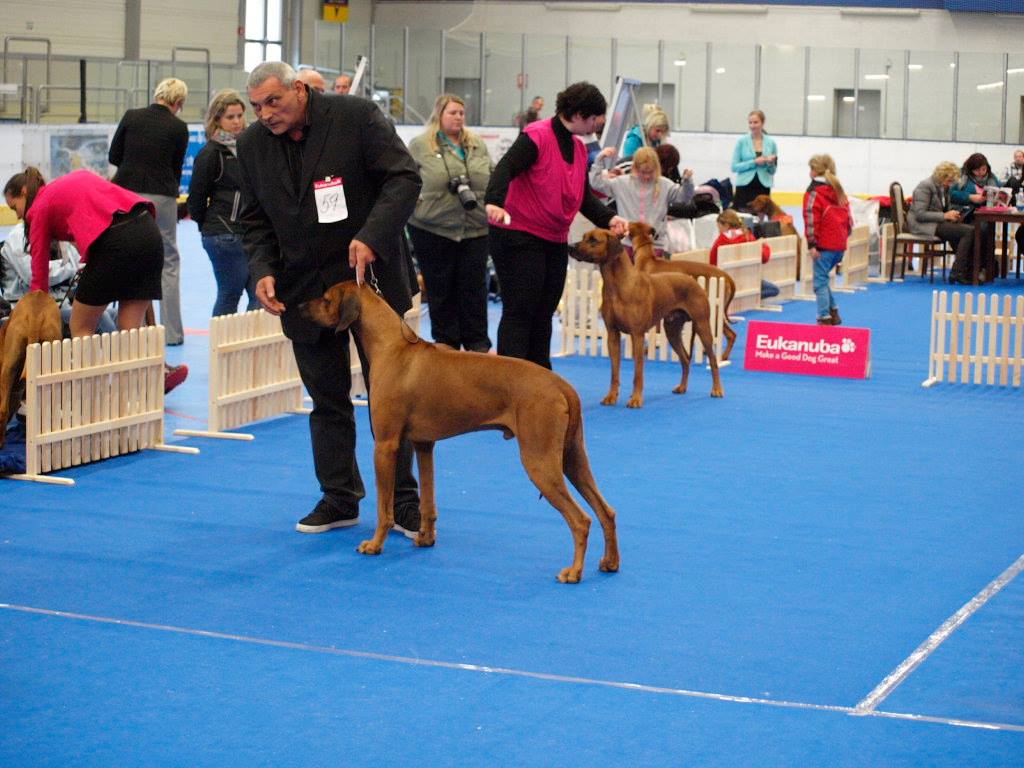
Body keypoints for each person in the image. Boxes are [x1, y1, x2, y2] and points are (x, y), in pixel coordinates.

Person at [236, 61, 422, 536]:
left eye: (273, 101)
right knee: (327, 399)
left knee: (392, 399)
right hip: (305, 292)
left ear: (299, 90)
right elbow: (254, 221)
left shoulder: (355, 117)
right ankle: (340, 497)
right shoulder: (252, 144)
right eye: (256, 106)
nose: (265, 114)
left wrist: (373, 236)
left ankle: (403, 502)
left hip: (369, 282)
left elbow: (404, 178)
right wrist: (262, 271)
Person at [484, 81, 627, 369]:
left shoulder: (576, 146)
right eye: (594, 117)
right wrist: (494, 202)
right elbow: (505, 167)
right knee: (521, 311)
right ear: (577, 115)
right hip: (519, 236)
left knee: (544, 311)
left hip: (553, 237)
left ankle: (539, 377)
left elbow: (582, 195)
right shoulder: (536, 136)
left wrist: (609, 218)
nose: (597, 123)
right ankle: (510, 384)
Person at [406, 94, 492, 352]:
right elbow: (407, 179)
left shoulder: (476, 144)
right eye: (452, 112)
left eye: (461, 113)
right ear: (439, 114)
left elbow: (494, 174)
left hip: (475, 227)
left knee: (475, 289)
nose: (458, 117)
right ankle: (446, 345)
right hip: (432, 228)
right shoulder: (420, 145)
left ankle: (478, 344)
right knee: (440, 288)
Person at [108, 77, 189, 346]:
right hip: (161, 196)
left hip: (125, 193)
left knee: (126, 255)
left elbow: (114, 157)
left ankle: (130, 329)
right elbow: (176, 168)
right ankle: (173, 333)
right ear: (178, 103)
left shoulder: (131, 116)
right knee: (168, 260)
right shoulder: (179, 127)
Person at [187, 88, 259, 317]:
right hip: (223, 235)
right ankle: (220, 348)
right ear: (217, 119)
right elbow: (196, 198)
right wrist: (208, 227)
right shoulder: (210, 154)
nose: (237, 122)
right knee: (230, 294)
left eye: (240, 115)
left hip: (247, 232)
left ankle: (247, 345)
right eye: (230, 117)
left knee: (258, 295)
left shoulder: (248, 148)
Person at [589, 146, 693, 255]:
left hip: (654, 246)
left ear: (657, 168)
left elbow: (684, 198)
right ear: (635, 167)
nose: (647, 176)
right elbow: (596, 183)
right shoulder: (621, 183)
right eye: (643, 172)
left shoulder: (665, 184)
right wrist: (599, 159)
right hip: (627, 245)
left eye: (650, 172)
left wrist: (687, 182)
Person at [908, 161, 977, 285]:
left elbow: (943, 208)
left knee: (966, 229)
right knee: (968, 231)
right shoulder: (925, 186)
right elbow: (920, 214)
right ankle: (958, 273)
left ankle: (964, 270)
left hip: (935, 223)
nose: (951, 184)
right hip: (922, 225)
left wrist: (952, 214)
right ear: (942, 176)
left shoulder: (942, 187)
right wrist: (945, 215)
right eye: (950, 180)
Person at [802, 154, 851, 325]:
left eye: (811, 169)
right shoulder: (839, 191)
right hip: (840, 246)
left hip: (823, 245)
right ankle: (834, 311)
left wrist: (811, 243)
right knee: (823, 279)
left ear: (815, 172)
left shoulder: (814, 193)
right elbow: (849, 221)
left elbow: (810, 219)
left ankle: (824, 317)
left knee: (819, 283)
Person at [708, 209, 777, 299]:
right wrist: (763, 245)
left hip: (728, 281)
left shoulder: (721, 240)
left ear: (726, 225)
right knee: (774, 290)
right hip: (748, 279)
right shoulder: (747, 235)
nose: (719, 231)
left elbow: (713, 261)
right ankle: (749, 298)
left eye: (719, 228)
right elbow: (764, 257)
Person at [950, 152, 998, 282]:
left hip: (987, 215)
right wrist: (970, 197)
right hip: (966, 214)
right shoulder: (962, 177)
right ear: (971, 170)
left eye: (984, 169)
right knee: (978, 231)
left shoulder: (993, 178)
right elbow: (952, 193)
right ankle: (973, 268)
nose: (981, 173)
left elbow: (1000, 191)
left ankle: (983, 267)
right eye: (977, 170)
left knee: (986, 230)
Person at [731, 109, 778, 212]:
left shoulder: (771, 143)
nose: (752, 125)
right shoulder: (741, 142)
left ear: (762, 123)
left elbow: (773, 171)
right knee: (743, 220)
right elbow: (734, 167)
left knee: (759, 222)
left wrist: (770, 163)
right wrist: (754, 162)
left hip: (763, 187)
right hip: (744, 187)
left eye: (756, 122)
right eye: (750, 122)